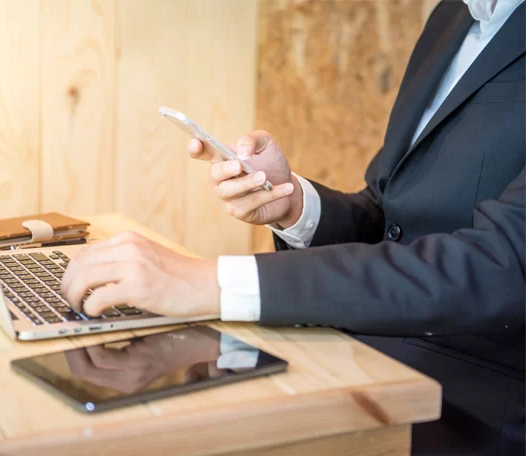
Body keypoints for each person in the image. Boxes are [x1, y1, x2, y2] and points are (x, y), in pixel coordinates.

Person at [61, 0, 525, 454]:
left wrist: (209, 280)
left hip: (473, 413)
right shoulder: (452, 17)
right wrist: (293, 205)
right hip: (360, 360)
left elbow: (501, 267)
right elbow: (391, 220)